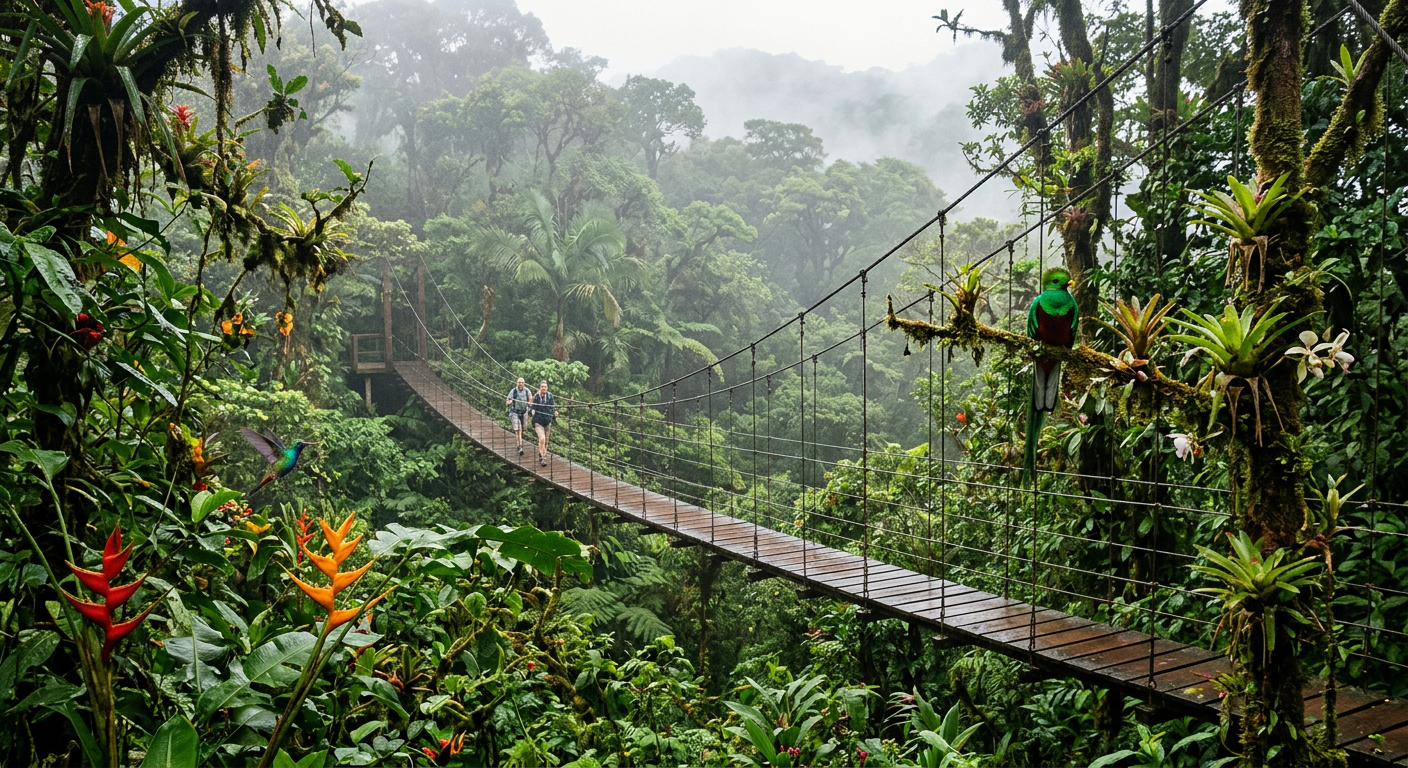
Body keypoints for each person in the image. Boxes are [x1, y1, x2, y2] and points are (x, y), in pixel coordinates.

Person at [528, 380, 556, 467]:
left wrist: (555, 413)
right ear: (540, 388)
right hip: (538, 421)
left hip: (547, 421)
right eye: (542, 387)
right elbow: (531, 407)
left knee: (546, 441)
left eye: (545, 387)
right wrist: (531, 411)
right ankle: (543, 458)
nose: (544, 388)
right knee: (542, 438)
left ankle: (541, 454)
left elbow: (553, 406)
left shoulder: (550, 396)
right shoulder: (536, 397)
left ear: (547, 388)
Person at [505, 377, 532, 456]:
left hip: (524, 412)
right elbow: (507, 401)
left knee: (523, 429)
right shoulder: (513, 391)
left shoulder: (527, 391)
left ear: (524, 383)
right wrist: (509, 402)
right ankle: (520, 446)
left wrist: (530, 403)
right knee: (518, 430)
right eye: (519, 382)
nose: (520, 384)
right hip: (515, 412)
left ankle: (519, 443)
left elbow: (530, 399)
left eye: (522, 382)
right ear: (517, 383)